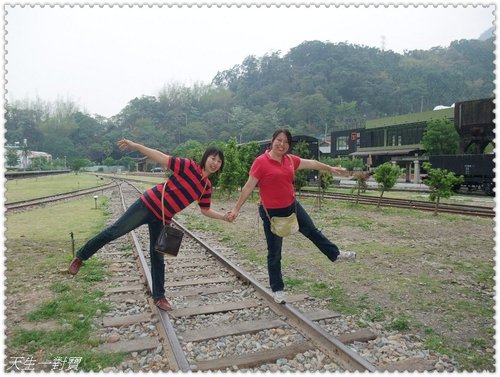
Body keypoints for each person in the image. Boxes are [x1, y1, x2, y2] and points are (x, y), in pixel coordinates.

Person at [69, 139, 234, 311]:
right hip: (146, 206)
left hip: (163, 218)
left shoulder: (206, 187)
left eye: (219, 161)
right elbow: (161, 157)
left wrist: (224, 217)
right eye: (213, 158)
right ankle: (81, 256)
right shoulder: (188, 166)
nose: (215, 163)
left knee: (158, 257)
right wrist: (135, 146)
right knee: (114, 231)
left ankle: (159, 297)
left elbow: (205, 210)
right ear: (206, 157)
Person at [229, 129, 356, 304]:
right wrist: (236, 209)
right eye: (279, 140)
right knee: (274, 252)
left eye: (286, 142)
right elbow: (248, 187)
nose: (282, 144)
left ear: (289, 146)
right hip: (271, 213)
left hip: (292, 206)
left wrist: (330, 168)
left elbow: (312, 163)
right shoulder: (261, 162)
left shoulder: (290, 160)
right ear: (272, 141)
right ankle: (277, 289)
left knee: (312, 231)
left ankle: (335, 254)